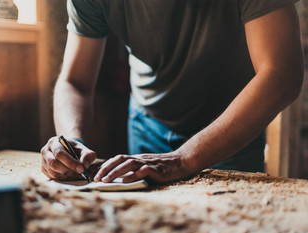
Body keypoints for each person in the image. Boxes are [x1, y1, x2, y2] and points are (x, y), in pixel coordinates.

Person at [41, 0, 304, 184]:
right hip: (146, 124)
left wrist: (182, 159)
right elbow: (75, 81)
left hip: (228, 130)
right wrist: (71, 145)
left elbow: (282, 74)